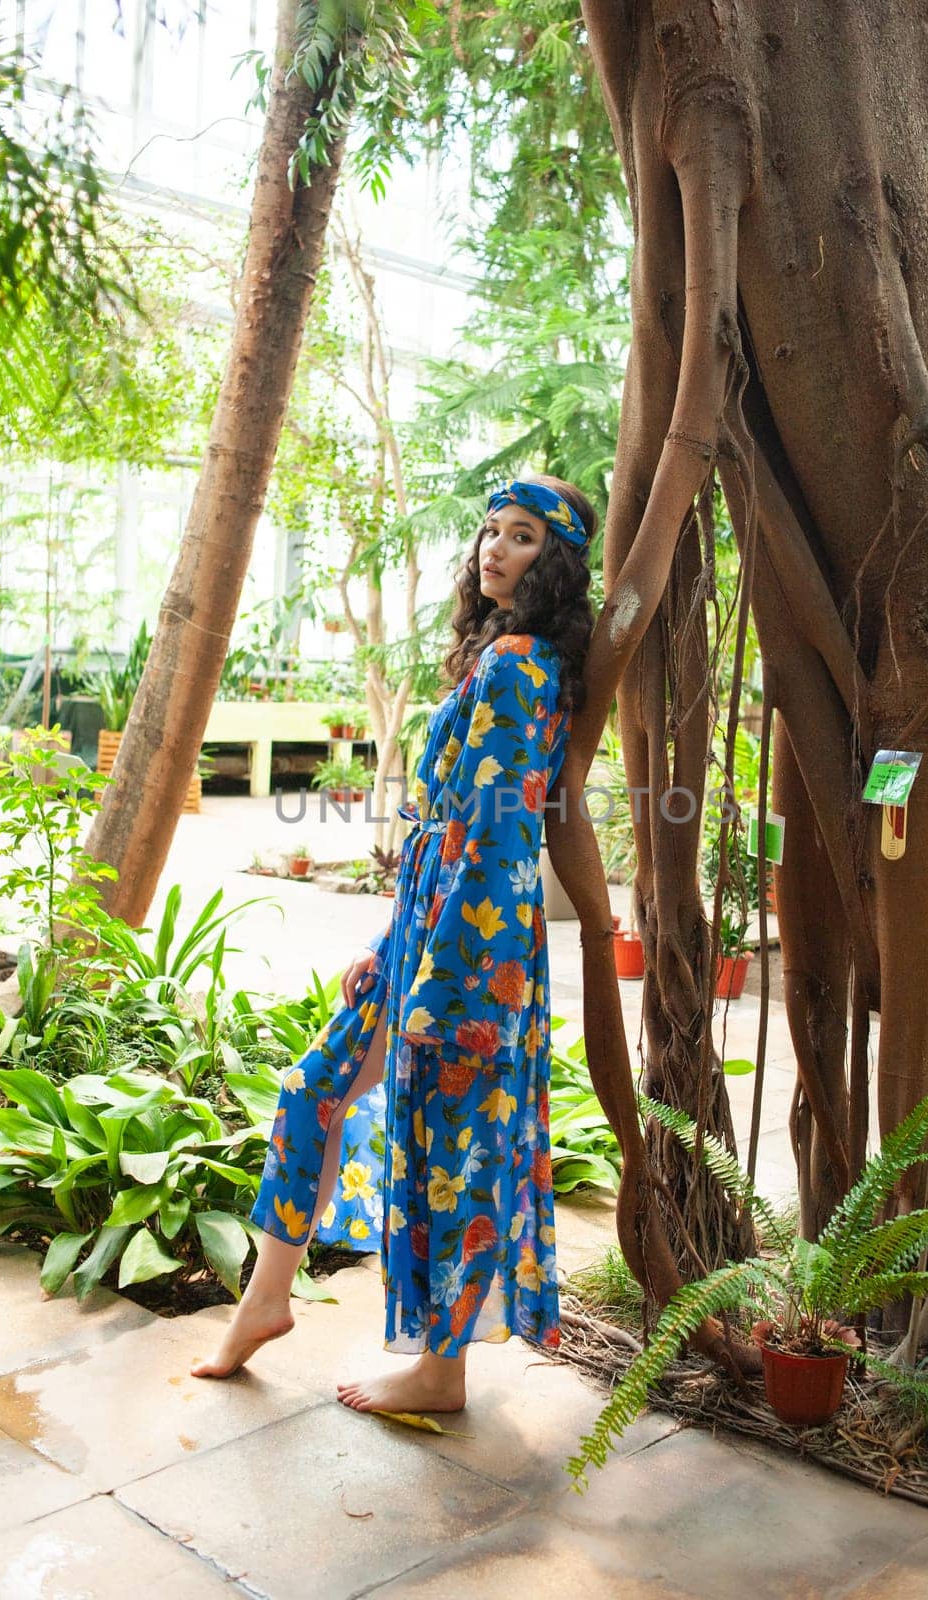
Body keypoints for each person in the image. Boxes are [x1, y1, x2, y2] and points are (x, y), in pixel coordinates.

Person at [191, 474, 597, 1415]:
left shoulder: (517, 668)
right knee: (310, 1091)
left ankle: (440, 1371)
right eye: (490, 531)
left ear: (556, 561)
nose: (494, 548)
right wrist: (389, 943)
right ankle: (264, 1303)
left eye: (523, 537)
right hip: (427, 927)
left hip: (469, 951)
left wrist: (441, 980)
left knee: (448, 1147)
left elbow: (498, 840)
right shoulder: (496, 656)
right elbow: (445, 835)